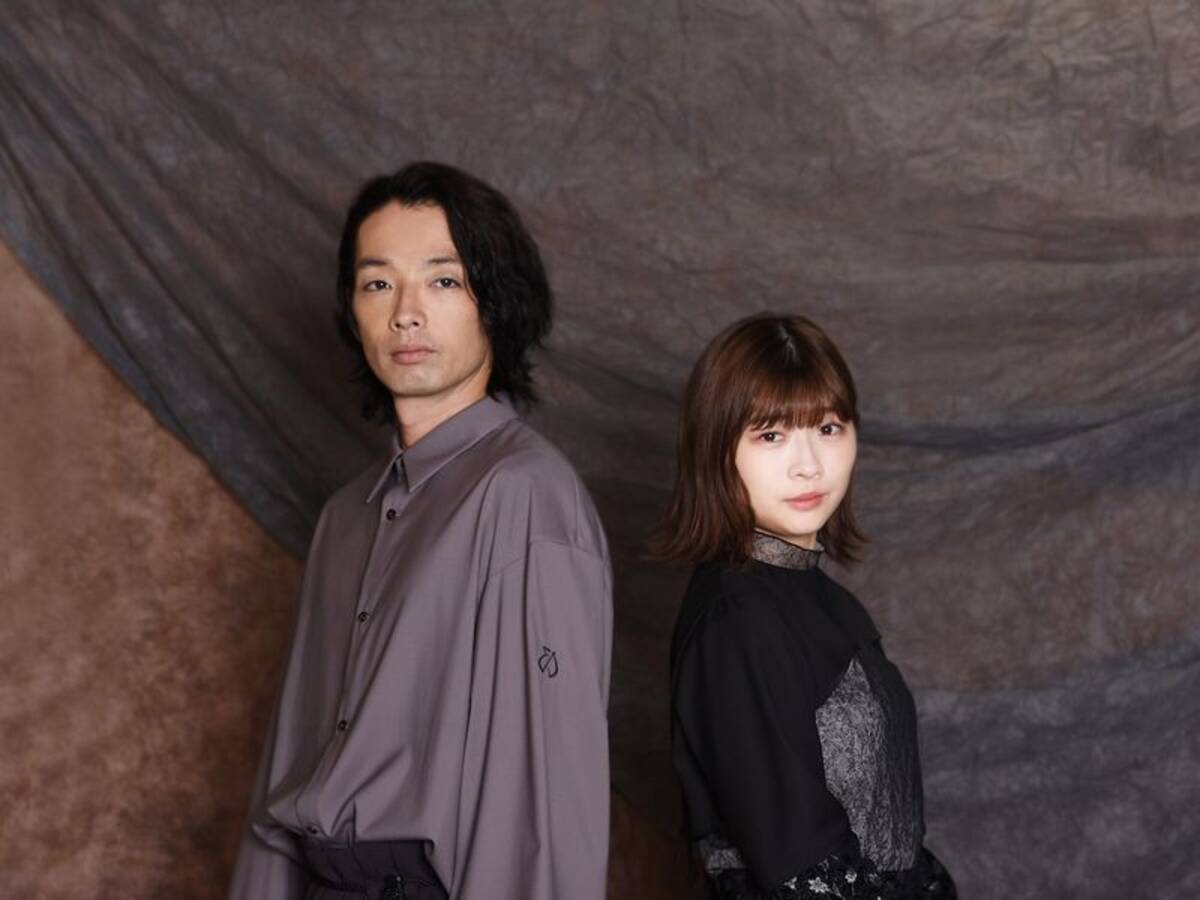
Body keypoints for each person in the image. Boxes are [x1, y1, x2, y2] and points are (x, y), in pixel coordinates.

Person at [229, 162, 613, 900]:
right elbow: (286, 765)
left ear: (494, 302)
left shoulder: (526, 498)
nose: (406, 312)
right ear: (353, 309)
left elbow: (548, 803)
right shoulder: (345, 518)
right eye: (378, 283)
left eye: (443, 280)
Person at [657, 314, 956, 899]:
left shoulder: (831, 603)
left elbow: (887, 829)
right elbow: (800, 869)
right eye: (771, 435)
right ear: (717, 450)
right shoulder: (737, 621)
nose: (809, 465)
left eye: (827, 427)